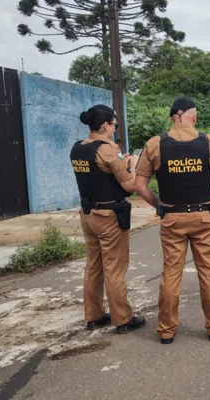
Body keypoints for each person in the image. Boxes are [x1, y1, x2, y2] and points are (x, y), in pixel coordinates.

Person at [133, 97, 210, 344]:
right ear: (190, 117)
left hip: (172, 219)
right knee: (208, 272)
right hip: (204, 217)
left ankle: (166, 331)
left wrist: (158, 204)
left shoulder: (154, 145)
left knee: (171, 274)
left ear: (174, 116)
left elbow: (139, 185)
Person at [69, 104, 146, 334]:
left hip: (88, 214)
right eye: (114, 126)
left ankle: (93, 316)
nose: (114, 130)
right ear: (105, 125)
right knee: (114, 267)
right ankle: (122, 319)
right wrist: (132, 164)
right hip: (109, 217)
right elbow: (130, 186)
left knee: (93, 266)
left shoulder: (77, 149)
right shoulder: (107, 151)